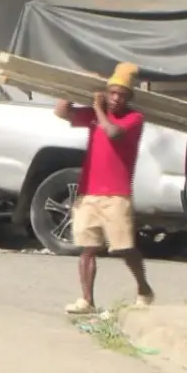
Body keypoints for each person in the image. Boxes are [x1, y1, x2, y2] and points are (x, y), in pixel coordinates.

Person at [54, 62, 154, 314]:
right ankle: (87, 300)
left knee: (124, 247)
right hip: (90, 191)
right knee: (87, 248)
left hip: (117, 193)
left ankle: (144, 288)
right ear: (107, 91)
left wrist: (98, 107)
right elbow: (61, 111)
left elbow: (112, 132)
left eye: (122, 94)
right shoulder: (93, 114)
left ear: (129, 97)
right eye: (112, 93)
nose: (116, 98)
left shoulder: (134, 118)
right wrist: (76, 83)